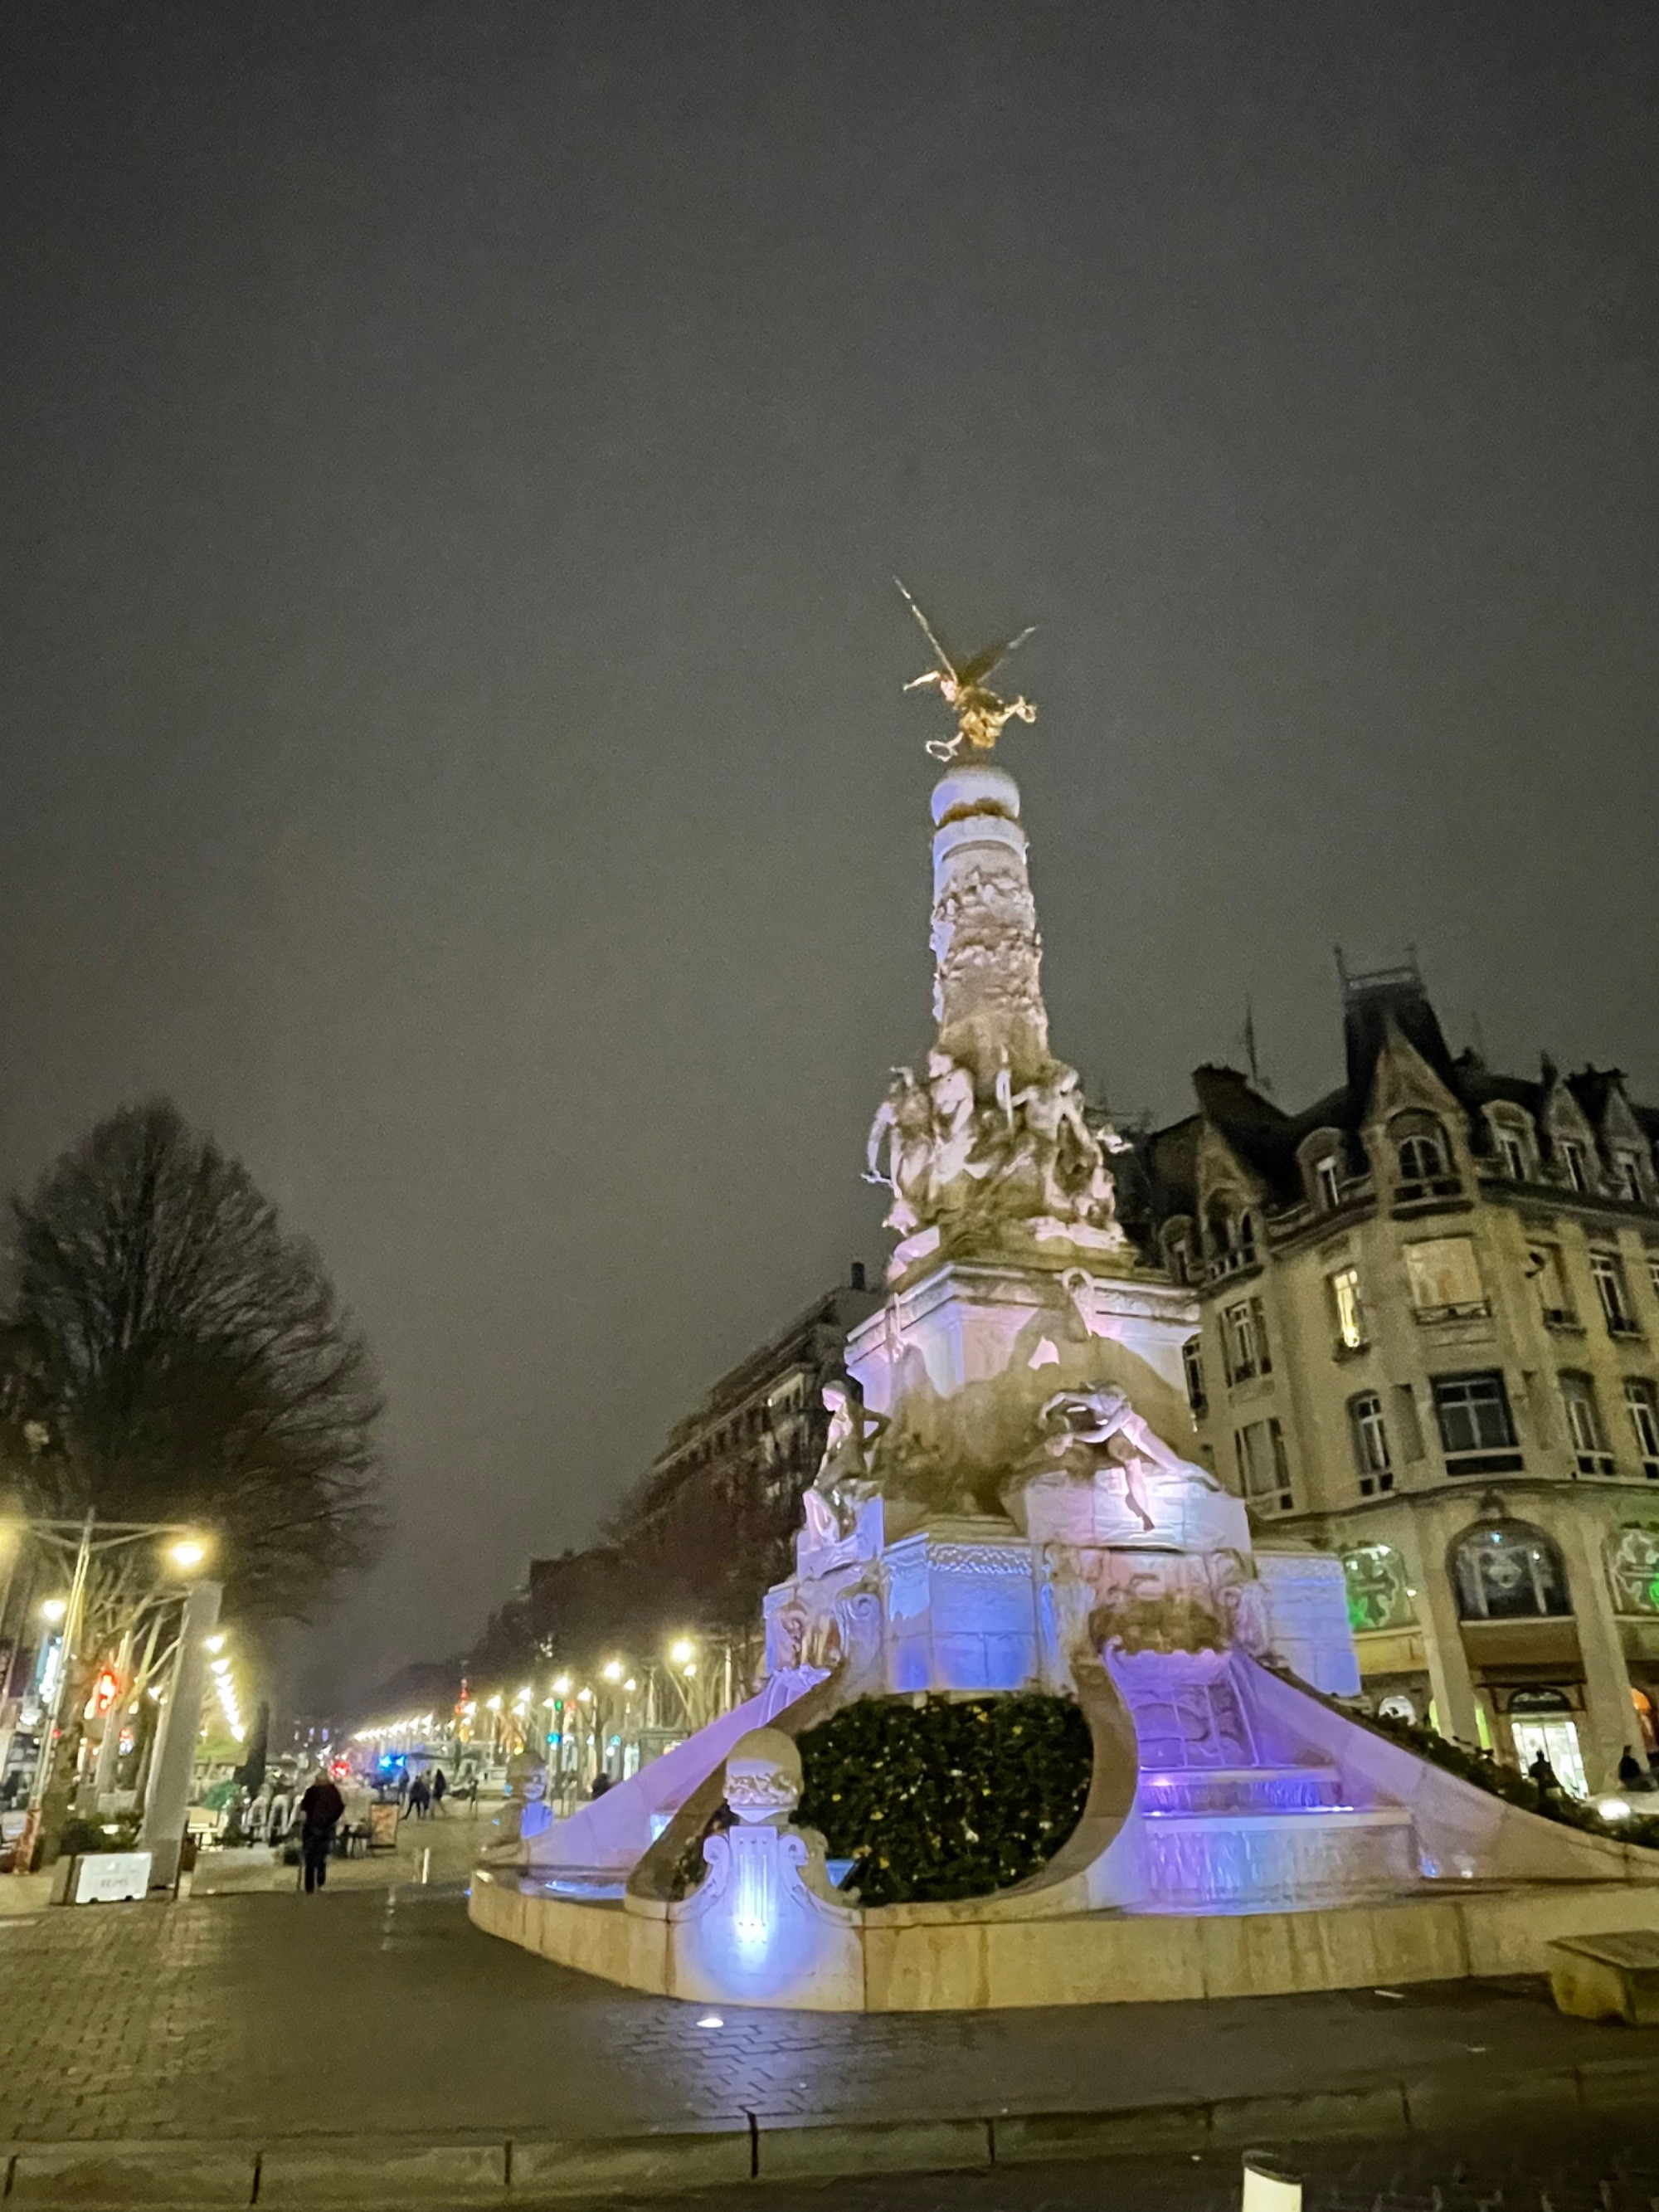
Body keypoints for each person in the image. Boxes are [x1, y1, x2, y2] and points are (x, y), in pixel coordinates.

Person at [298, 1770, 345, 1893]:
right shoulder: (332, 1792)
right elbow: (340, 1807)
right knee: (320, 1857)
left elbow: (304, 1807)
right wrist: (331, 1821)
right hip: (324, 1829)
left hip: (312, 1828)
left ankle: (310, 1887)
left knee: (310, 1859)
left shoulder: (312, 1791)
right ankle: (319, 1881)